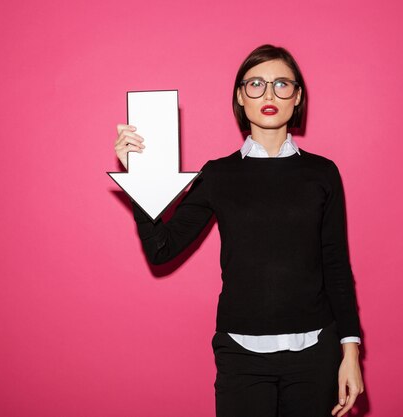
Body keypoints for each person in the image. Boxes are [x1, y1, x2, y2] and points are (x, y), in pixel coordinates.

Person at [113, 44, 364, 417]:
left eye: (281, 84)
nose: (268, 94)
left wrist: (351, 351)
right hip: (241, 357)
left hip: (315, 354)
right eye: (255, 84)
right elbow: (161, 249)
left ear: (296, 97)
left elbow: (337, 266)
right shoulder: (217, 175)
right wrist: (139, 178)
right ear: (239, 97)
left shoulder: (323, 173)